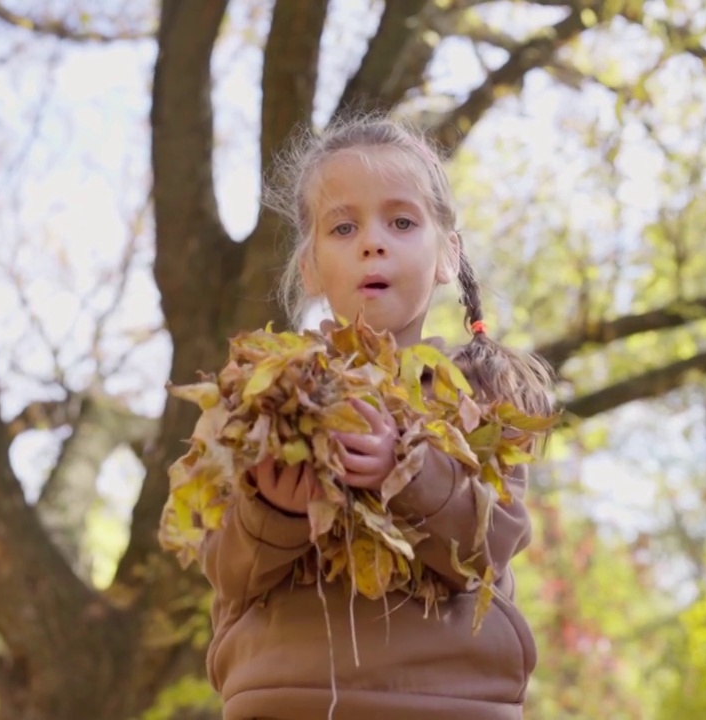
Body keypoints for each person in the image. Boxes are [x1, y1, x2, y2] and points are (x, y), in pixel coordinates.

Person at [198, 116, 557, 720]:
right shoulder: (260, 399)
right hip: (289, 700)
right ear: (309, 266)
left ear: (448, 254)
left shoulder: (484, 389)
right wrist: (277, 512)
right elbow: (228, 568)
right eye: (343, 226)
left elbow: (492, 541)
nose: (373, 242)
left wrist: (408, 470)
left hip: (451, 701)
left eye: (402, 222)